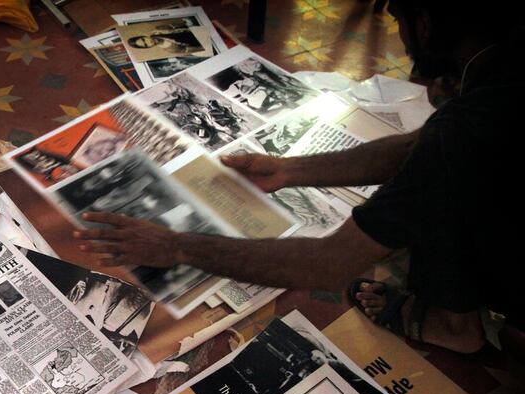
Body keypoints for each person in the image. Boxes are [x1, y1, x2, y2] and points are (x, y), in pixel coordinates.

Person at [75, 1, 523, 355]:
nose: (401, 38)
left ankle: (452, 327)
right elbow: (419, 148)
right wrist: (290, 170)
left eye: (397, 19)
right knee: (452, 182)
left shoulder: (471, 127)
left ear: (424, 21)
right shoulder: (500, 66)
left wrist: (174, 246)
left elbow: (326, 264)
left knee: (447, 195)